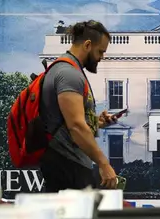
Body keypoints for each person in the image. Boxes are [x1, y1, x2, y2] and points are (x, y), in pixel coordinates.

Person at [39, 20, 118, 192]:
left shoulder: (67, 70)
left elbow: (66, 121)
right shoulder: (69, 74)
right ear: (88, 45)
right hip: (69, 165)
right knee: (76, 217)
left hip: (67, 163)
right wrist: (104, 163)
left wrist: (96, 122)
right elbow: (75, 126)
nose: (102, 57)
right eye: (100, 52)